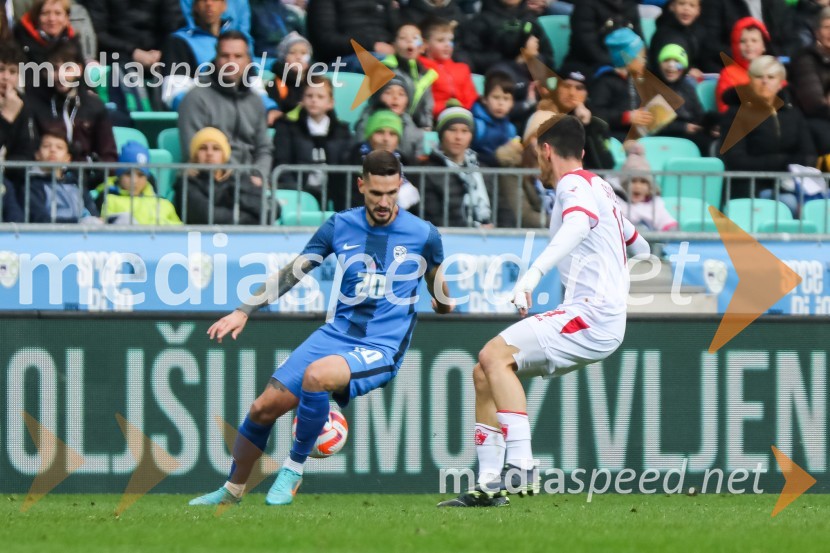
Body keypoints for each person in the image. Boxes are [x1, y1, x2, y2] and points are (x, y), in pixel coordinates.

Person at [189, 150, 453, 507]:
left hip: (381, 346)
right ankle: (232, 490)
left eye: (391, 193)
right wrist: (244, 310)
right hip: (335, 334)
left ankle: (293, 470)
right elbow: (293, 271)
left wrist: (444, 302)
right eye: (376, 193)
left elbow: (438, 284)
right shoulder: (339, 226)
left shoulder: (423, 234)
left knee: (316, 377)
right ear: (361, 186)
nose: (384, 202)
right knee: (261, 409)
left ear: (400, 186)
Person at [437, 114, 650, 508]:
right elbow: (642, 249)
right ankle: (487, 485)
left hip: (592, 313)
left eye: (537, 154)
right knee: (484, 372)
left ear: (545, 150)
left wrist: (531, 277)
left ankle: (520, 465)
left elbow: (577, 227)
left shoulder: (573, 185)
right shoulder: (599, 186)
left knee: (492, 355)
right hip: (600, 316)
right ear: (582, 152)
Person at [178, 30, 273, 186]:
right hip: (211, 184)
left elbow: (264, 148)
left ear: (248, 61)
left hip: (251, 184)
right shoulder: (195, 98)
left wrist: (259, 176)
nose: (231, 62)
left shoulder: (256, 101)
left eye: (238, 56)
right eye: (225, 56)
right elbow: (194, 151)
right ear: (216, 60)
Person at [720, 55, 817, 204]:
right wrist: (783, 162)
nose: (765, 82)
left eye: (771, 77)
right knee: (789, 202)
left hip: (791, 184)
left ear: (780, 83)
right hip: (750, 187)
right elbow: (736, 160)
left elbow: (809, 155)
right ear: (750, 80)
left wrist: (784, 164)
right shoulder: (735, 113)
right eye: (759, 76)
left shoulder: (793, 113)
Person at [26, 42, 118, 163]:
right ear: (44, 73)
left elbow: (108, 156)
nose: (61, 75)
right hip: (44, 176)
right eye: (54, 68)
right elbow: (28, 150)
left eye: (67, 68)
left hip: (86, 178)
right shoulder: (34, 105)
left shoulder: (94, 106)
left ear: (79, 70)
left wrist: (93, 175)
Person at [272, 75, 353, 207]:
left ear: (331, 103)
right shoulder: (286, 127)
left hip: (334, 195)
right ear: (302, 99)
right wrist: (297, 193)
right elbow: (282, 164)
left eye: (320, 97)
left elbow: (345, 169)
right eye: (309, 96)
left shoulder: (342, 131)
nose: (314, 100)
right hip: (299, 194)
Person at [174, 127, 265, 224]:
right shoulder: (187, 183)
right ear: (195, 155)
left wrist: (236, 198)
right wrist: (252, 217)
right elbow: (207, 216)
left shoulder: (240, 179)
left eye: (216, 149)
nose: (209, 153)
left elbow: (271, 209)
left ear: (224, 155)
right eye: (203, 148)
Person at [422, 104, 492, 227]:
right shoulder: (428, 172)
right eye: (452, 130)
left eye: (465, 131)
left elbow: (504, 209)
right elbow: (434, 216)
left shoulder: (483, 169)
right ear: (441, 134)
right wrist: (475, 229)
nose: (458, 137)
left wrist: (498, 228)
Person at [94, 141, 182, 225]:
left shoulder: (164, 203)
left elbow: (180, 234)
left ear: (147, 177)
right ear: (119, 175)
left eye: (140, 175)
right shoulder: (108, 200)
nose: (134, 181)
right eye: (128, 174)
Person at [457, 0, 555, 75]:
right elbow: (468, 58)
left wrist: (533, 58)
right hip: (493, 83)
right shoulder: (481, 21)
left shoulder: (529, 20)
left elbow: (549, 60)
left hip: (528, 82)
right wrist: (515, 63)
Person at [23, 131, 100, 223]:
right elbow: (40, 219)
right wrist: (79, 223)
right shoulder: (31, 186)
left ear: (67, 158)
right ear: (37, 155)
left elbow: (94, 215)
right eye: (46, 146)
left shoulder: (76, 185)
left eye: (59, 147)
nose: (52, 150)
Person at [589, 27, 651, 142]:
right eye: (641, 57)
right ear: (627, 58)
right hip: (614, 137)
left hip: (635, 135)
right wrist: (627, 117)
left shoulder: (634, 80)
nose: (644, 61)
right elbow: (597, 114)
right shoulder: (605, 81)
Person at [549, 63, 615, 170]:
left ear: (587, 94)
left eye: (579, 88)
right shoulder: (543, 114)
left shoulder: (598, 122)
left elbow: (605, 165)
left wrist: (587, 126)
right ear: (557, 88)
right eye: (566, 86)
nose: (571, 93)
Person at [382, 22, 438, 129]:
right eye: (403, 38)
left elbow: (427, 106)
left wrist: (426, 126)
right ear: (394, 46)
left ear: (422, 47)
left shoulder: (426, 75)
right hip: (386, 123)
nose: (409, 40)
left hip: (412, 127)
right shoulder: (385, 69)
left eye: (415, 37)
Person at [418, 16, 478, 117]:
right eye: (441, 40)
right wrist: (446, 107)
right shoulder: (420, 66)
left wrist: (460, 109)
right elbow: (421, 102)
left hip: (463, 117)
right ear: (425, 43)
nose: (447, 45)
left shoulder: (462, 68)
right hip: (433, 118)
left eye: (450, 40)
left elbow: (472, 99)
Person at [563, 0, 642, 74]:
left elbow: (640, 41)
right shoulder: (586, 3)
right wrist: (616, 66)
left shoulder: (630, 4)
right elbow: (586, 44)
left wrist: (638, 62)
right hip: (586, 64)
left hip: (625, 65)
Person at [791, 6, 830, 155]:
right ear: (817, 32)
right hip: (813, 122)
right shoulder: (805, 58)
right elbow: (813, 103)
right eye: (827, 27)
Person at [715, 17, 771, 114]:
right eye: (743, 41)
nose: (749, 44)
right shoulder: (728, 74)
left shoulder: (773, 70)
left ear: (764, 46)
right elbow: (725, 109)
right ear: (736, 46)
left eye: (754, 40)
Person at [619, 140, 678, 231]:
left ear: (649, 187)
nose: (637, 186)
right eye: (633, 181)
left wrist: (672, 230)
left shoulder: (655, 203)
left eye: (643, 182)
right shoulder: (617, 202)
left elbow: (666, 221)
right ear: (625, 185)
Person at [471, 70, 519, 167]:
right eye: (496, 97)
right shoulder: (477, 124)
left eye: (506, 99)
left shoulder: (510, 129)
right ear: (484, 99)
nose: (501, 103)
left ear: (512, 103)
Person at [647, 0, 705, 79]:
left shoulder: (698, 31)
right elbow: (666, 65)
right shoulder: (665, 34)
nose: (686, 8)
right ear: (672, 6)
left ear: (698, 10)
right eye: (681, 3)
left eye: (692, 5)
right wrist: (688, 70)